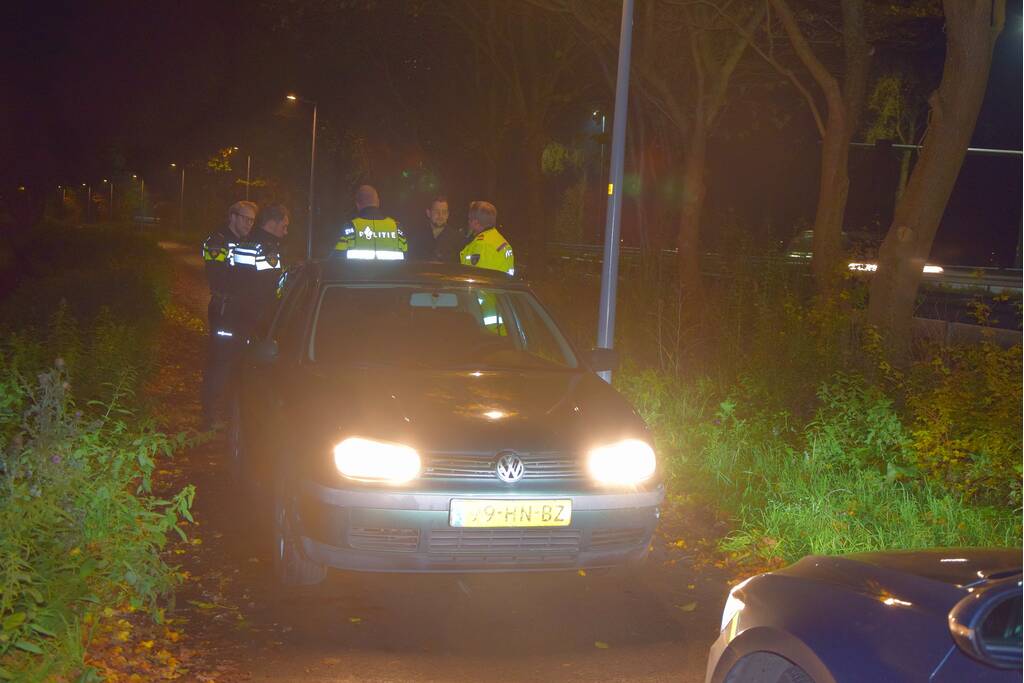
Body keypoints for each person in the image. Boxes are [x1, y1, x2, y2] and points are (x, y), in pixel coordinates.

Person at [200, 200, 258, 427]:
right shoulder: (217, 241)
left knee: (239, 359)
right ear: (232, 217)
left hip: (242, 310)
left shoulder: (246, 242)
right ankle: (210, 414)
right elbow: (218, 277)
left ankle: (230, 411)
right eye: (245, 218)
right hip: (225, 310)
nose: (249, 224)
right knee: (220, 360)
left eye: (252, 220)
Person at [233, 203, 288, 336]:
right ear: (272, 223)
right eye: (284, 226)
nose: (286, 232)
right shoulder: (267, 250)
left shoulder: (246, 241)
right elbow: (271, 288)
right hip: (260, 318)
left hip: (240, 313)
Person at [330, 185, 407, 260]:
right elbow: (407, 259)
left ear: (357, 204)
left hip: (357, 273)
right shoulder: (396, 227)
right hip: (392, 273)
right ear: (378, 202)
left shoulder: (350, 228)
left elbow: (336, 261)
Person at [459, 200, 514, 275]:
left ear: (476, 223)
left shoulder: (481, 245)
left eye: (469, 219)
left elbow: (477, 278)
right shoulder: (500, 241)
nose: (468, 222)